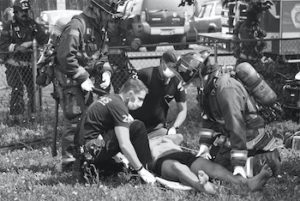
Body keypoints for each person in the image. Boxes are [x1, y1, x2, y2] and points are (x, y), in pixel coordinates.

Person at [173, 51, 282, 179]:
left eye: (192, 82)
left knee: (224, 173)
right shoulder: (207, 87)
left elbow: (236, 126)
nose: (192, 86)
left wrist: (238, 164)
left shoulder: (225, 89)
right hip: (234, 137)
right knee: (212, 165)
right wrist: (204, 145)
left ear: (199, 76)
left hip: (249, 137)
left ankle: (268, 160)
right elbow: (208, 118)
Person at [55, 0, 126, 169]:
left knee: (88, 118)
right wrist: (82, 77)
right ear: (96, 9)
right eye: (107, 13)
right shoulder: (77, 25)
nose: (109, 17)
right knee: (75, 118)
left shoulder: (99, 28)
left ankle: (82, 155)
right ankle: (69, 162)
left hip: (86, 81)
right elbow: (65, 57)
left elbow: (102, 56)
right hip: (71, 80)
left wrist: (106, 72)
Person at [75, 78, 156, 184]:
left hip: (84, 155)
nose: (141, 104)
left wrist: (120, 157)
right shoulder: (118, 106)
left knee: (120, 167)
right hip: (91, 151)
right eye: (139, 99)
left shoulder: (110, 99)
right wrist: (141, 170)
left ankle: (93, 171)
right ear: (130, 94)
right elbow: (124, 144)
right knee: (137, 126)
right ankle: (145, 171)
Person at [149, 134, 272, 194]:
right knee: (178, 167)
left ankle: (246, 182)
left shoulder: (167, 137)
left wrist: (169, 133)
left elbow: (180, 137)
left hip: (182, 155)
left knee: (211, 167)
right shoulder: (143, 139)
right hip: (161, 160)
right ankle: (203, 185)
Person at [0, 0, 48, 124]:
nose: (24, 13)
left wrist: (38, 43)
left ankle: (33, 116)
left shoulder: (33, 25)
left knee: (33, 89)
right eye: (22, 11)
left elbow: (44, 39)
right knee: (17, 88)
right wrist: (17, 47)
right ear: (15, 12)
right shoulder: (9, 26)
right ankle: (16, 118)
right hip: (13, 64)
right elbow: (3, 46)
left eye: (26, 11)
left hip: (29, 65)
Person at [130, 50, 187, 138]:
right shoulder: (145, 75)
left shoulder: (177, 81)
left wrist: (174, 127)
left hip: (157, 128)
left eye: (175, 67)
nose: (173, 70)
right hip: (135, 126)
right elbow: (125, 97)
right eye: (170, 66)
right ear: (162, 63)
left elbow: (183, 109)